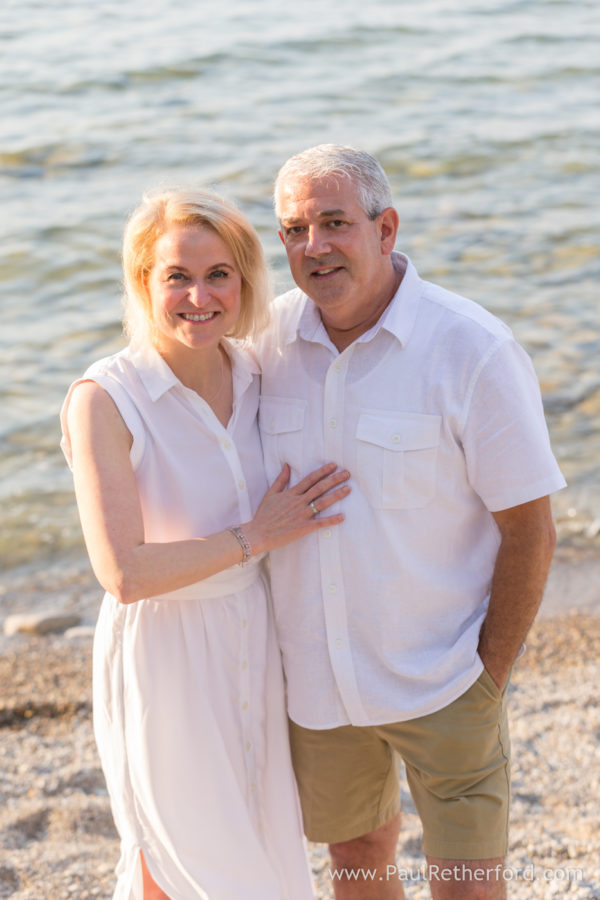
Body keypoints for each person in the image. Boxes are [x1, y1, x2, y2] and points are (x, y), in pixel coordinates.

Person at [254, 145, 566, 900]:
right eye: (294, 229)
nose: (313, 247)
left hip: (447, 680)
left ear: (386, 228)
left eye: (334, 223)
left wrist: (488, 676)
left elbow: (531, 526)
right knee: (357, 863)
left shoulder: (472, 348)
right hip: (321, 692)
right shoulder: (264, 346)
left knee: (466, 884)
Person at [60, 187, 351, 900]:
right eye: (176, 277)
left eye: (219, 274)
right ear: (142, 283)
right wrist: (256, 534)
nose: (199, 295)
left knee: (253, 840)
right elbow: (122, 572)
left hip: (252, 640)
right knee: (179, 852)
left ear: (245, 282)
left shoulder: (254, 372)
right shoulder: (106, 398)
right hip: (164, 653)